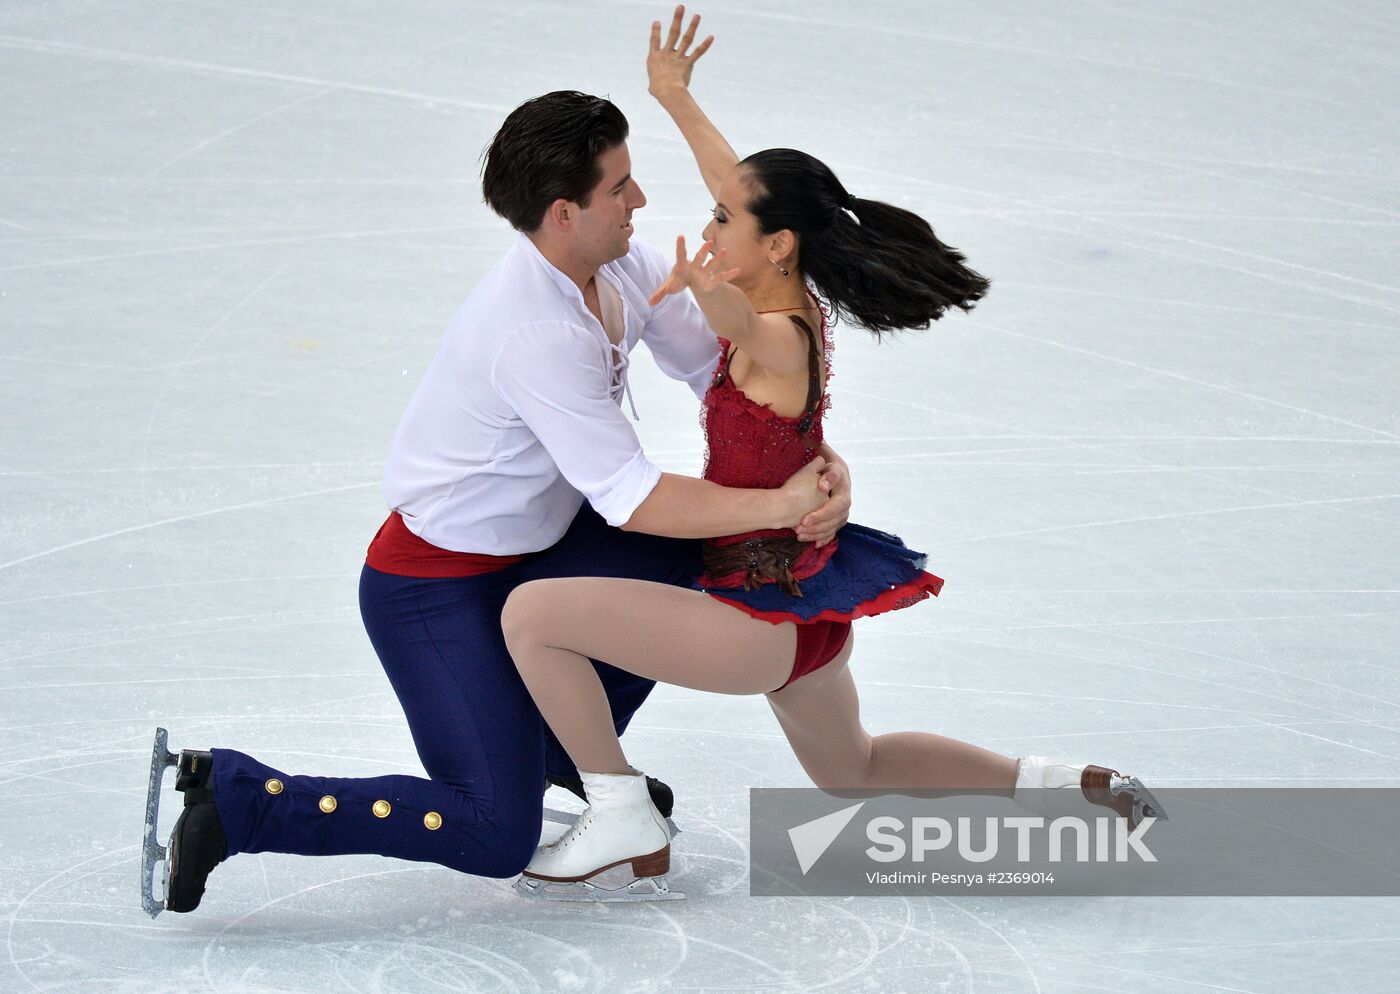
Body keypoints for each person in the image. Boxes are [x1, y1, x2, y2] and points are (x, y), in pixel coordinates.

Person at [149, 86, 859, 915]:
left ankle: (560, 744)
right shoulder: (535, 331)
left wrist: (815, 467)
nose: (640, 199)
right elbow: (633, 500)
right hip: (433, 588)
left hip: (543, 548)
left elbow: (729, 382)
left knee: (709, 554)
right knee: (493, 831)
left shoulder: (618, 265)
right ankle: (239, 801)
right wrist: (779, 507)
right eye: (619, 187)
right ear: (564, 213)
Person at [501, 6, 1167, 888]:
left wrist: (704, 287)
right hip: (810, 609)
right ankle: (1067, 785)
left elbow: (740, 323)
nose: (709, 228)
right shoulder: (790, 287)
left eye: (722, 223)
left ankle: (618, 807)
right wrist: (674, 97)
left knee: (532, 617)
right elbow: (739, 191)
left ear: (775, 245)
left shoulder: (776, 333)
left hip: (756, 619)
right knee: (855, 769)